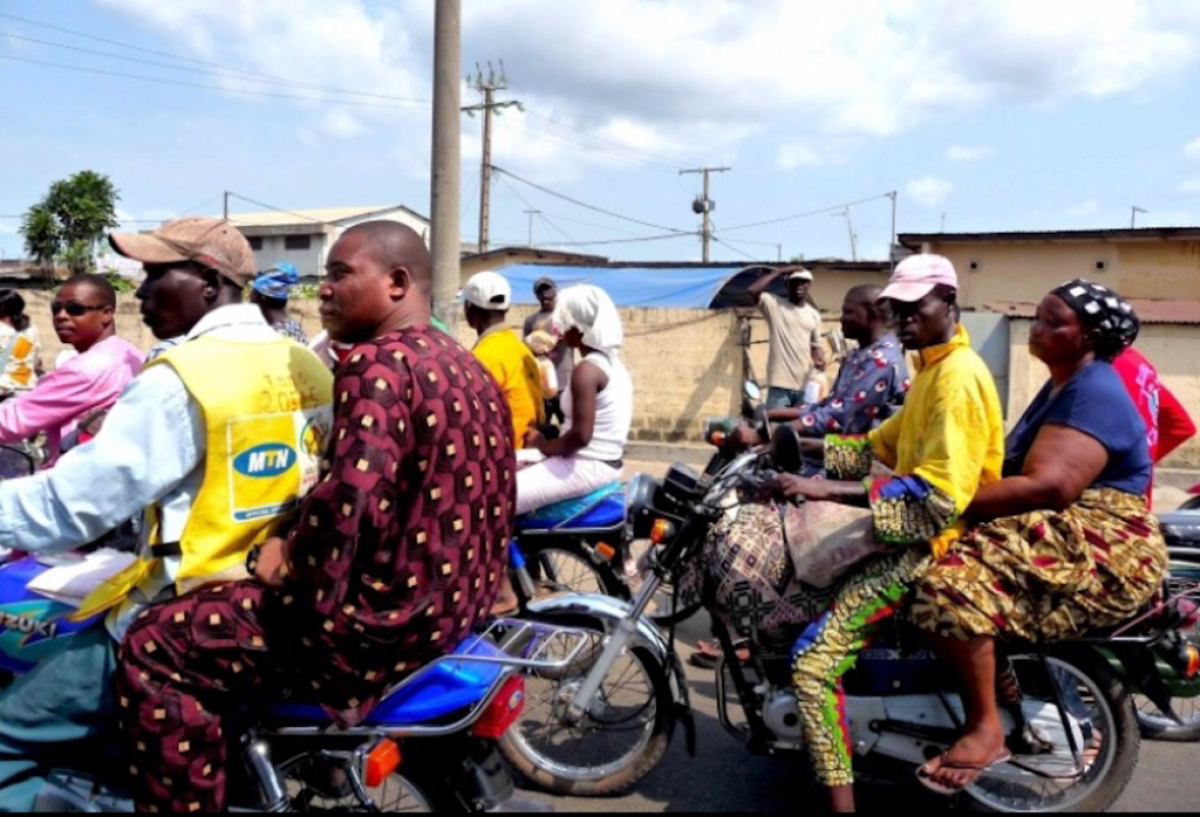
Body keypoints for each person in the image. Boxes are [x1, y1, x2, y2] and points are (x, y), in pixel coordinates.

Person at [116, 221, 515, 813]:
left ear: (397, 283)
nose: (322, 288)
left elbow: (350, 503)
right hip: (454, 610)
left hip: (380, 627)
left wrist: (285, 563)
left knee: (156, 643)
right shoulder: (463, 361)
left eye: (340, 274)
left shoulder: (376, 365)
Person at [0, 217, 334, 812]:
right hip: (263, 608)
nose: (142, 290)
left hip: (175, 617)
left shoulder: (182, 377)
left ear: (208, 282)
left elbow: (70, 507)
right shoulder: (303, 362)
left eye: (156, 274)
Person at [910, 281, 1167, 795]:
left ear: (1089, 336)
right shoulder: (1061, 386)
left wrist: (941, 501)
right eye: (1038, 317)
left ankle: (985, 729)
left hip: (1103, 540)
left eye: (1054, 322)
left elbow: (1050, 485)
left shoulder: (1093, 389)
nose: (1038, 328)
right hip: (1067, 525)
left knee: (946, 587)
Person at [776, 255, 1005, 813]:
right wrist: (792, 448)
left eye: (915, 306)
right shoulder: (931, 369)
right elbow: (878, 446)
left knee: (812, 664)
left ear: (948, 303)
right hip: (910, 523)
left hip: (928, 541)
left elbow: (938, 496)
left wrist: (823, 490)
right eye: (896, 308)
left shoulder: (957, 379)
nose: (904, 318)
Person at [0, 274, 143, 464]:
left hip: (81, 472)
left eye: (75, 309)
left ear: (107, 314)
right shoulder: (131, 354)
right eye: (55, 309)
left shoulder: (84, 369)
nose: (61, 316)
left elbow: (12, 421)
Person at [517, 285, 632, 516]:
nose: (559, 330)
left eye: (565, 324)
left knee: (498, 495)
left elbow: (580, 437)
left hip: (585, 464)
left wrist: (542, 446)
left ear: (580, 329)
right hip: (599, 462)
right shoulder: (613, 365)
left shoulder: (587, 371)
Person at [463, 271, 546, 445]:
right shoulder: (521, 349)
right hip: (528, 446)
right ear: (506, 309)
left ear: (469, 308)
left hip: (505, 451)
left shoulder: (482, 357)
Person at [1113, 345, 1196, 507]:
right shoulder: (1136, 362)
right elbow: (1180, 426)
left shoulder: (1093, 368)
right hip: (1135, 502)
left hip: (1102, 507)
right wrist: (1142, 463)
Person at [748, 266, 827, 411]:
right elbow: (753, 290)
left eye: (803, 282)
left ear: (809, 285)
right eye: (794, 282)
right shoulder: (774, 305)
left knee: (802, 424)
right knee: (775, 424)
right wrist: (779, 272)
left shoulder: (813, 314)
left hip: (805, 386)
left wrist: (820, 360)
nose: (799, 286)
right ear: (786, 285)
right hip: (780, 386)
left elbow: (816, 347)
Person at [524, 277, 574, 422]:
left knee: (568, 427)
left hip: (565, 385)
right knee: (541, 428)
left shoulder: (566, 317)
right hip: (542, 385)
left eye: (547, 289)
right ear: (536, 296)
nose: (544, 293)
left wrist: (560, 336)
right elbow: (526, 350)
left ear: (555, 291)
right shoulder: (531, 321)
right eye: (540, 291)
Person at [250, 262, 307, 343]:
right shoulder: (293, 327)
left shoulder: (270, 336)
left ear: (262, 298)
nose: (250, 299)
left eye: (253, 293)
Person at [0, 290, 40, 397]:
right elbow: (36, 362)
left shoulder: (2, 331)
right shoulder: (32, 330)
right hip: (27, 387)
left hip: (4, 387)